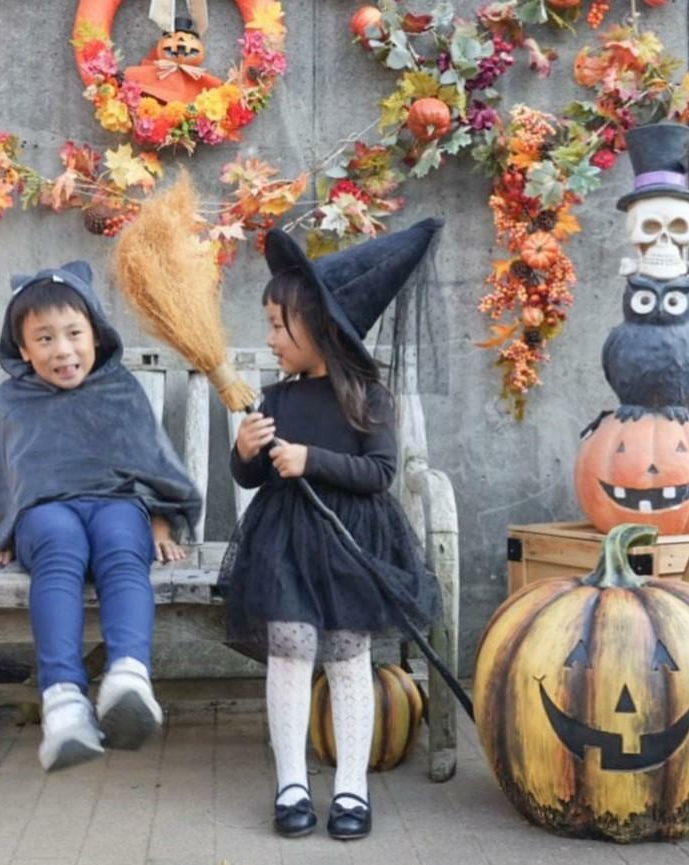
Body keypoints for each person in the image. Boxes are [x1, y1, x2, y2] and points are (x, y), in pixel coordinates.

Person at [221, 219, 444, 840]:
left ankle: (351, 785)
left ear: (319, 327)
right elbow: (248, 479)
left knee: (348, 658)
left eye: (276, 325)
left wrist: (311, 460)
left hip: (352, 546)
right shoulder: (275, 399)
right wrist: (245, 450)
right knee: (290, 652)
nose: (268, 337)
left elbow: (380, 472)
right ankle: (291, 779)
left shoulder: (367, 397)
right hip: (286, 545)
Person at [0, 260, 202, 771]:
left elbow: (152, 463)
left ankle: (128, 677)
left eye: (74, 334)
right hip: (45, 514)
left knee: (120, 549)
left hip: (117, 503)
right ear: (23, 349)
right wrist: (3, 526)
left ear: (96, 334)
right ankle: (63, 700)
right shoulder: (12, 401)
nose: (62, 350)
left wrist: (160, 522)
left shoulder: (120, 391)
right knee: (59, 549)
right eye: (44, 339)